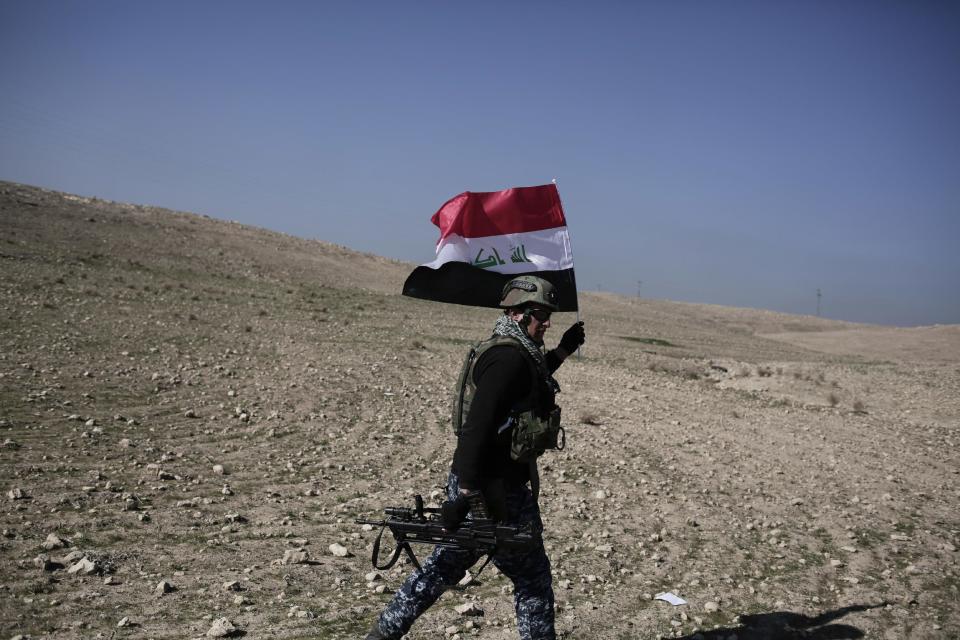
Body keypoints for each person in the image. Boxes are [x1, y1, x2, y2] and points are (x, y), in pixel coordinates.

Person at [365, 275, 586, 640]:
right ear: (516, 313)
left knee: (442, 569)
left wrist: (561, 351)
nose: (546, 321)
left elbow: (529, 382)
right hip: (495, 490)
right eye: (539, 314)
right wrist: (466, 492)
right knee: (533, 580)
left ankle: (382, 633)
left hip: (483, 484)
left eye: (549, 315)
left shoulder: (512, 350)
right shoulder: (508, 359)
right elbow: (477, 427)